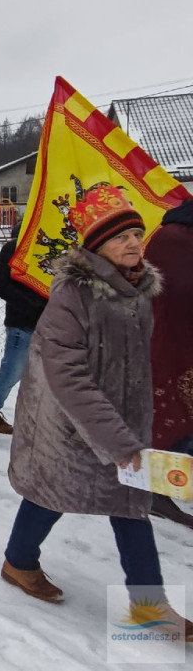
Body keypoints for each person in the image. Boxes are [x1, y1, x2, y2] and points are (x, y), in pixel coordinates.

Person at [1, 186, 191, 639]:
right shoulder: (74, 296)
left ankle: (149, 606)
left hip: (121, 422)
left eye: (137, 234)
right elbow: (67, 375)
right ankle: (18, 562)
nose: (132, 243)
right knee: (51, 494)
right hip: (69, 425)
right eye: (120, 236)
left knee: (130, 506)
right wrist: (118, 441)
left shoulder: (140, 289)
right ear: (96, 246)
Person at [144, 198, 193, 528]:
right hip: (170, 344)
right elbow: (178, 291)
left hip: (181, 341)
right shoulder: (174, 239)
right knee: (170, 414)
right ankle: (157, 492)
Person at [0, 222, 47, 435]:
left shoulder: (51, 246)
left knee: (46, 375)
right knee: (13, 371)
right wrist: (32, 304)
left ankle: (41, 417)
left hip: (51, 324)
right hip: (22, 323)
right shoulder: (14, 248)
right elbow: (0, 285)